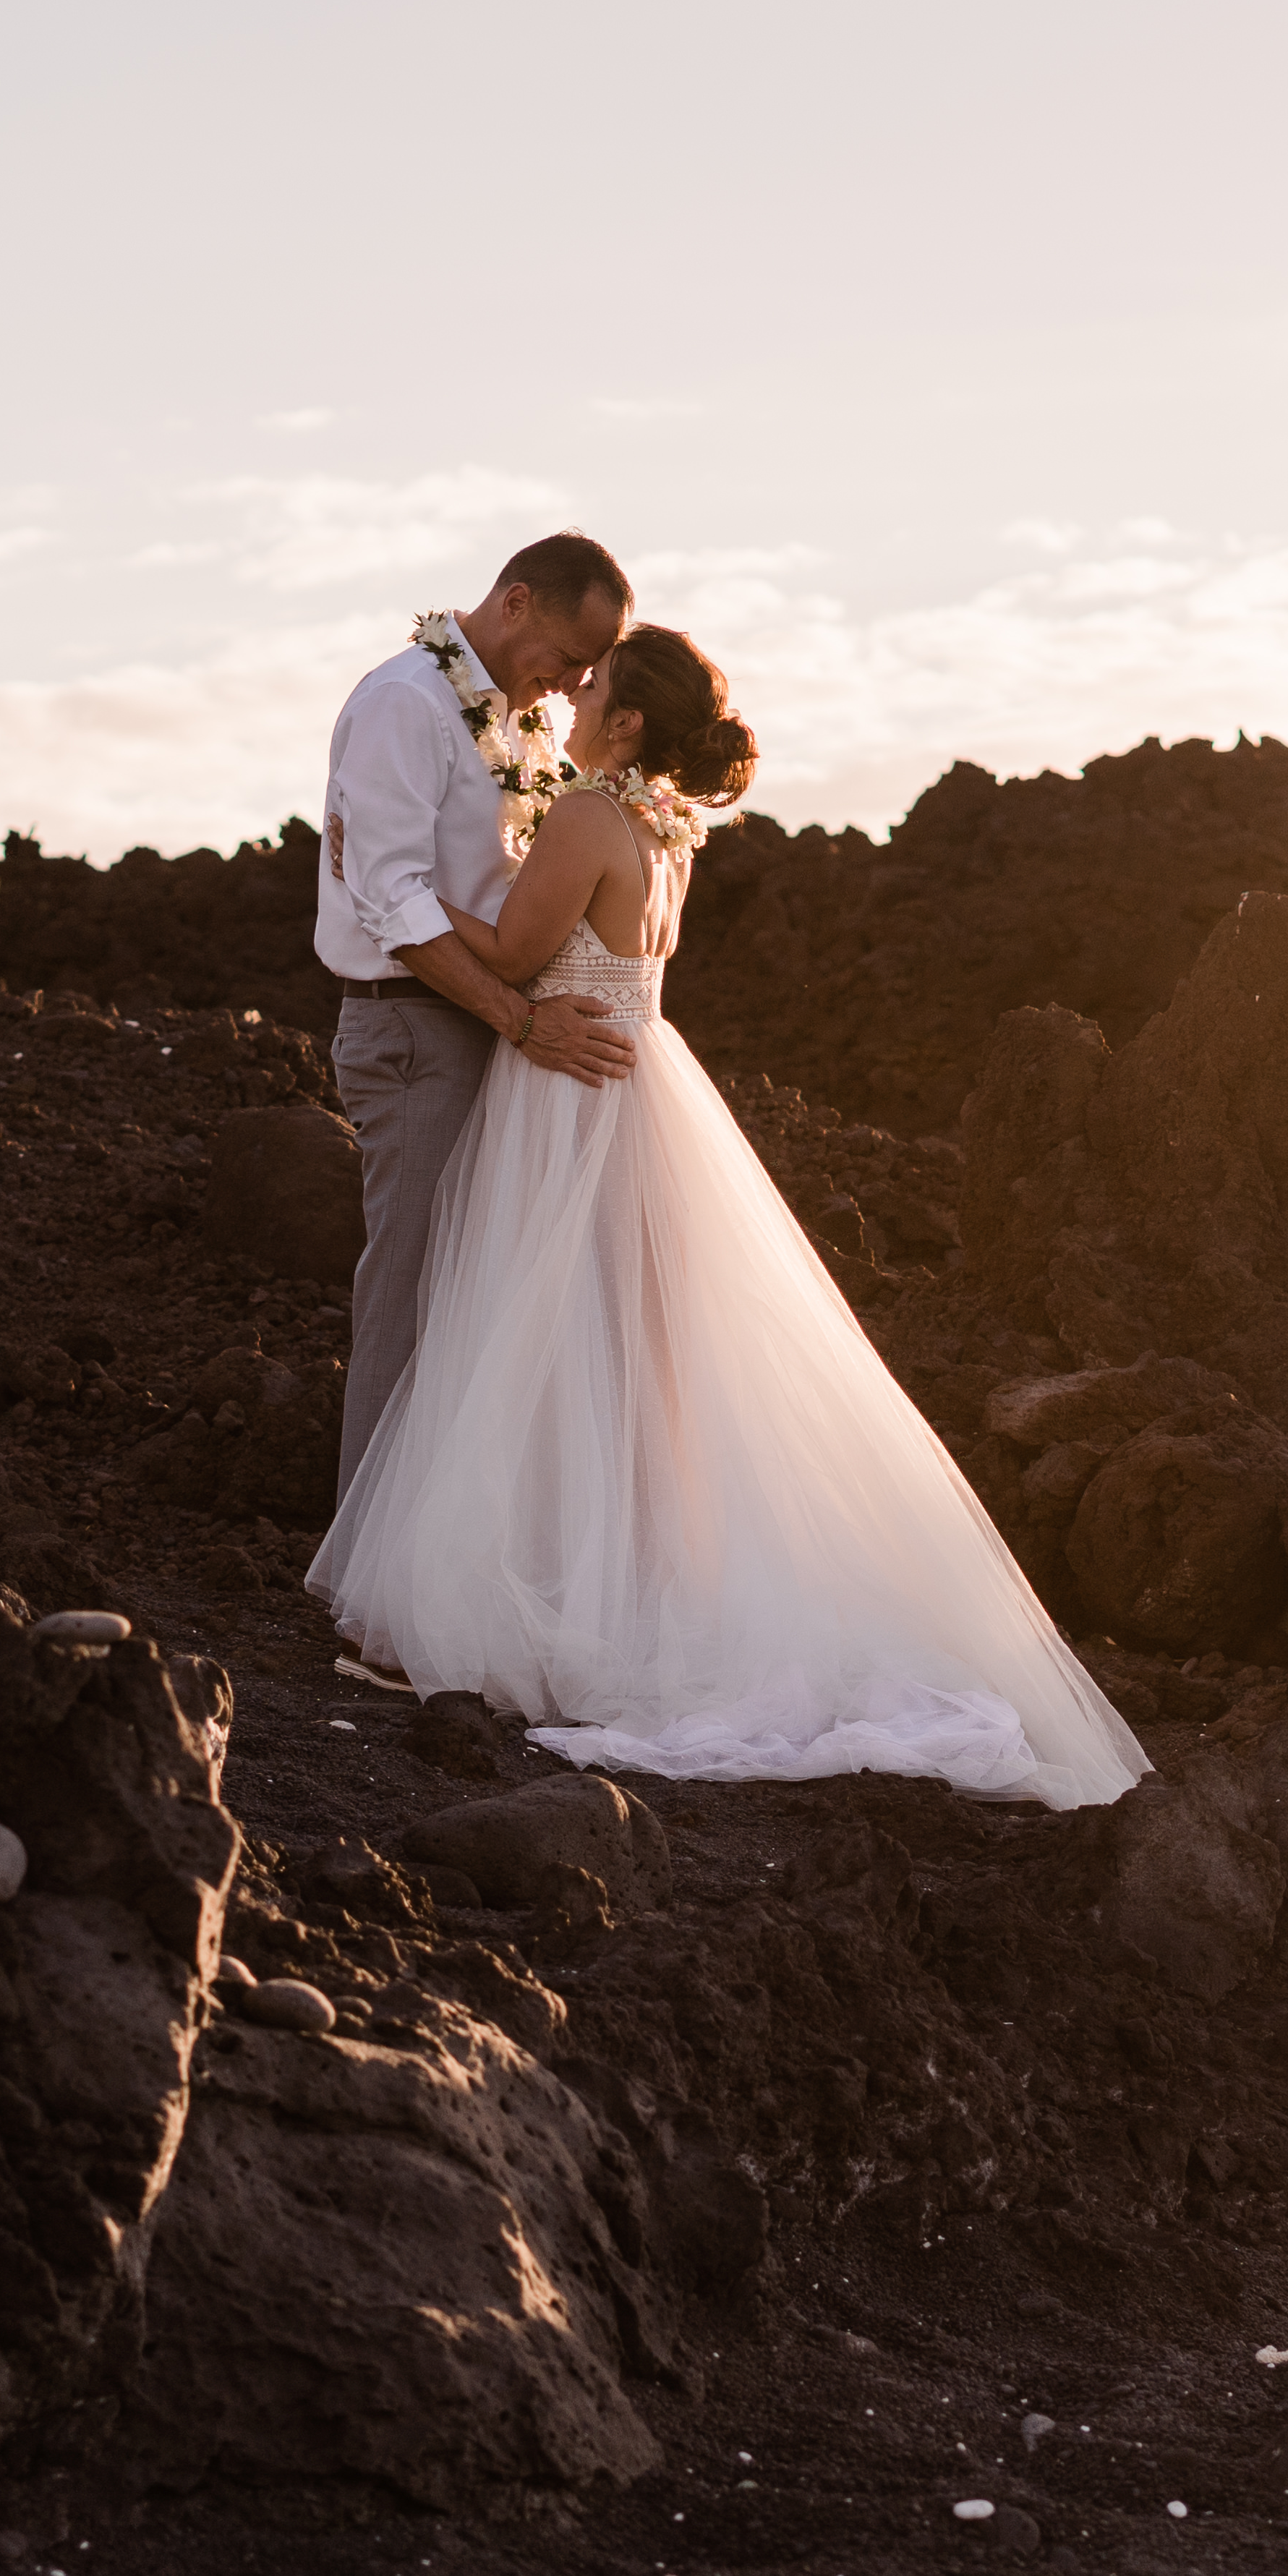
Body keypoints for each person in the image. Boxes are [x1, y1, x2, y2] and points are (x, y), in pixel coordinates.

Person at [310, 627, 1146, 1809]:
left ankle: (522, 1599)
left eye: (594, 684)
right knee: (631, 1352)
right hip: (644, 1078)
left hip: (567, 1091)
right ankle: (630, 1579)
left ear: (632, 720)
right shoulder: (667, 831)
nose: (574, 693)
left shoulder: (592, 818)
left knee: (533, 1339)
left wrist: (377, 875)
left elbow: (509, 950)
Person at [318, 534, 640, 1498]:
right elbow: (391, 899)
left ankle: (447, 1560)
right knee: (414, 1294)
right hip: (417, 1025)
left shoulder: (526, 724)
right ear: (515, 605)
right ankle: (366, 1580)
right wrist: (522, 1019)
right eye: (570, 657)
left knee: (482, 1299)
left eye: (592, 669)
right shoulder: (402, 705)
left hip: (493, 1022)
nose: (577, 681)